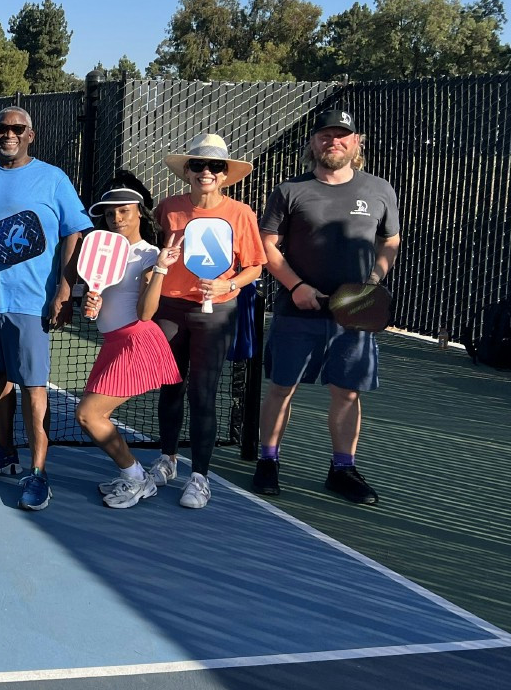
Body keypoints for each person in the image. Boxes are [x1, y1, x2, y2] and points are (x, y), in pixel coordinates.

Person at [254, 110, 401, 504]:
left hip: (355, 315)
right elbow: (267, 245)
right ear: (313, 142)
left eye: (342, 136)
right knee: (282, 388)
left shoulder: (380, 189)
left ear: (357, 143)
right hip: (296, 311)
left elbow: (390, 239)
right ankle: (268, 461)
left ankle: (342, 469)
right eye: (325, 135)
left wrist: (374, 280)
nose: (333, 142)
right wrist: (296, 286)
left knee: (348, 392)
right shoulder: (290, 191)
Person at [0, 106, 89, 511]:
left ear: (30, 135)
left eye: (17, 128)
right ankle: (5, 452)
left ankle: (39, 472)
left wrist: (65, 288)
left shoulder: (53, 178)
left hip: (32, 302)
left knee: (33, 388)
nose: (8, 134)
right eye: (1, 128)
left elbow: (74, 232)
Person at [149, 133, 266, 510]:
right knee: (170, 387)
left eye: (215, 166)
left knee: (203, 393)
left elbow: (255, 265)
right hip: (169, 309)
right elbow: (151, 250)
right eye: (199, 165)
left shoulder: (241, 213)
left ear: (225, 174)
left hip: (216, 313)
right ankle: (167, 460)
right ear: (187, 171)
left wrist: (227, 283)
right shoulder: (168, 208)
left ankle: (199, 477)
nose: (206, 172)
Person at [74, 183, 183, 509]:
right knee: (93, 416)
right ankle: (134, 475)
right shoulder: (101, 254)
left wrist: (160, 268)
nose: (116, 218)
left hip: (136, 341)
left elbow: (147, 313)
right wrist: (90, 305)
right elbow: (94, 309)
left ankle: (137, 478)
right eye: (110, 213)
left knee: (89, 415)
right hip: (114, 341)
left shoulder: (150, 254)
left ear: (139, 213)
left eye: (124, 211)